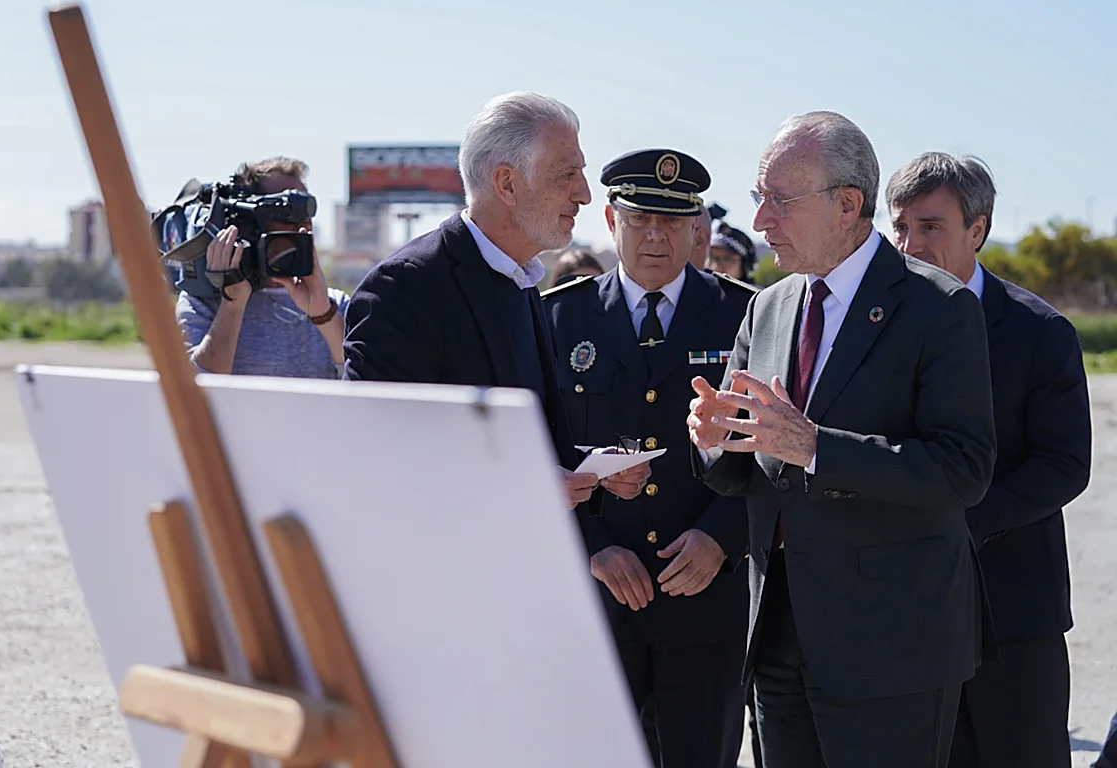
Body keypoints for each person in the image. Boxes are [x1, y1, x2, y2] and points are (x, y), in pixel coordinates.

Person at [687, 110, 997, 768]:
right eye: (758, 200)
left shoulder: (938, 307)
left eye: (779, 201)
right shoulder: (765, 306)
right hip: (777, 633)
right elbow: (745, 466)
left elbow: (962, 469)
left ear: (848, 204)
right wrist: (716, 440)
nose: (761, 220)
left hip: (889, 647)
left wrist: (817, 445)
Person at [544, 148, 756, 768]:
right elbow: (537, 451)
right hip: (600, 600)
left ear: (697, 228)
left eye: (673, 220)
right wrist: (590, 544)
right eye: (640, 219)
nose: (656, 236)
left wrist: (721, 536)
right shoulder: (559, 317)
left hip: (706, 597)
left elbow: (774, 454)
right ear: (611, 220)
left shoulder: (747, 313)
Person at [342, 91, 650, 511]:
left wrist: (585, 467)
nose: (584, 194)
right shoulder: (406, 287)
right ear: (507, 183)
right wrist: (525, 483)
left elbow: (519, 443)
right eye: (566, 174)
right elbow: (378, 448)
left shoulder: (521, 278)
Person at [887, 152, 1092, 768]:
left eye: (930, 227)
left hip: (1013, 610)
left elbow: (1063, 464)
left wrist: (960, 525)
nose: (910, 245)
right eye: (900, 228)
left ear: (977, 230)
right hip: (908, 610)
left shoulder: (1040, 331)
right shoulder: (879, 326)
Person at [175, 156, 349, 378]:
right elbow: (198, 389)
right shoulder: (202, 303)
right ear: (246, 222)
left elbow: (363, 384)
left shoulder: (337, 305)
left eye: (307, 211)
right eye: (285, 211)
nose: (301, 224)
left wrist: (323, 314)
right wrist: (233, 303)